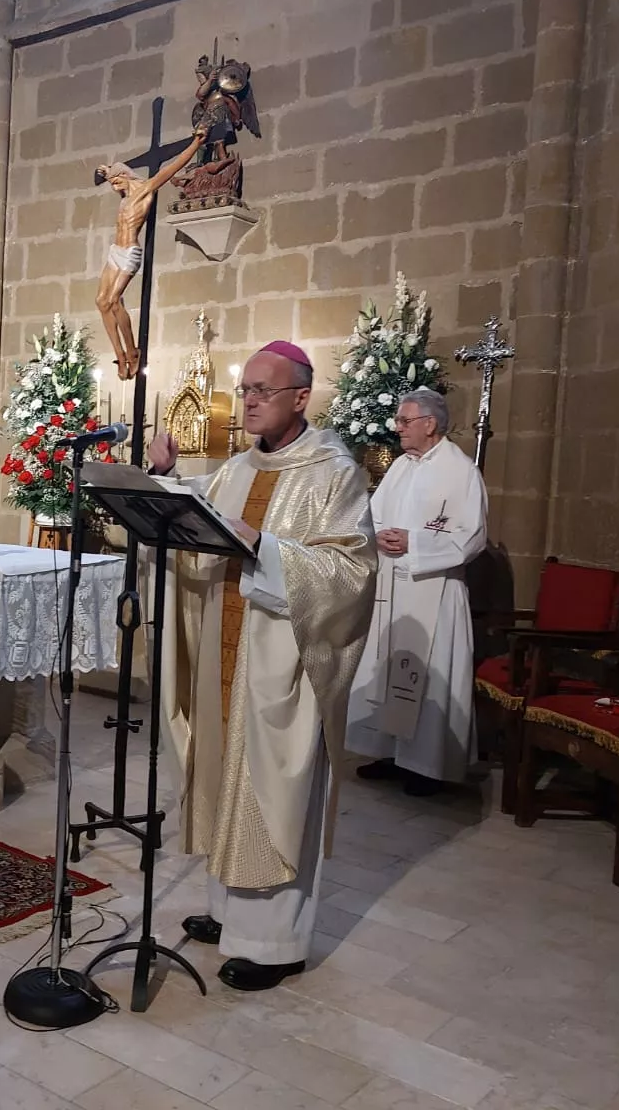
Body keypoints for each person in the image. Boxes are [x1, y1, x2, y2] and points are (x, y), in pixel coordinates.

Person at [148, 341, 377, 992]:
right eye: (244, 389)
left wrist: (267, 548)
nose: (246, 401)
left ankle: (274, 943)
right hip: (230, 652)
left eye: (262, 391)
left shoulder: (334, 471)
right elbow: (192, 526)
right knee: (226, 776)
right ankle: (228, 913)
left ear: (301, 398)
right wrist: (164, 480)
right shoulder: (235, 469)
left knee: (272, 792)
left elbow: (354, 571)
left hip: (285, 663)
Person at [345, 388, 488, 797]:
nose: (398, 428)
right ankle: (390, 754)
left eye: (405, 421)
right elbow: (372, 514)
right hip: (395, 587)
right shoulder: (402, 467)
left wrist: (415, 543)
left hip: (434, 588)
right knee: (391, 670)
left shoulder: (461, 472)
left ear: (430, 423)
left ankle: (425, 765)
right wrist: (379, 537)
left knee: (429, 676)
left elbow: (472, 536)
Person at [93, 127, 207, 381]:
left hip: (130, 252)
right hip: (115, 251)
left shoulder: (145, 190)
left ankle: (132, 351)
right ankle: (120, 356)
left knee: (113, 300)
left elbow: (171, 168)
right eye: (112, 183)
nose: (114, 186)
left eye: (116, 181)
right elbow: (112, 172)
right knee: (101, 302)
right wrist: (107, 170)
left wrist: (196, 144)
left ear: (126, 176)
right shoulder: (123, 197)